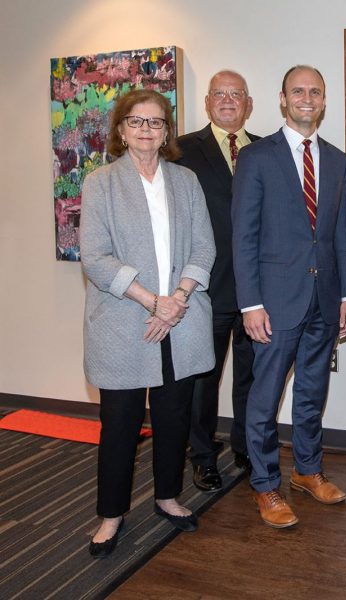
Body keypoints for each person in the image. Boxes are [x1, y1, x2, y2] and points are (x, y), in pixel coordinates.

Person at [80, 88, 216, 558]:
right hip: (123, 323)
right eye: (136, 121)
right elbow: (94, 257)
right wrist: (149, 300)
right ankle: (111, 514)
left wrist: (176, 300)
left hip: (180, 320)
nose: (146, 130)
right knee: (119, 423)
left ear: (166, 132)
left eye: (156, 123)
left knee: (174, 416)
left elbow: (204, 248)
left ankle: (167, 496)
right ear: (121, 130)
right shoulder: (100, 183)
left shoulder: (185, 181)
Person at [232, 65, 346, 529]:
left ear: (324, 101)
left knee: (311, 393)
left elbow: (342, 233)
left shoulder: (337, 159)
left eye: (316, 92)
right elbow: (243, 236)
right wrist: (250, 304)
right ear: (282, 99)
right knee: (264, 400)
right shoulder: (256, 157)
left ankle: (307, 471)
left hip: (324, 298)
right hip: (273, 303)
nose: (307, 98)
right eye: (298, 91)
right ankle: (266, 486)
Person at [176, 70, 259, 492]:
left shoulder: (267, 151)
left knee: (253, 377)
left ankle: (246, 447)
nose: (228, 101)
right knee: (202, 381)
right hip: (205, 289)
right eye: (220, 94)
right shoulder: (182, 150)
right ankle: (203, 456)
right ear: (208, 103)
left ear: (248, 104)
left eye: (236, 94)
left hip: (257, 292)